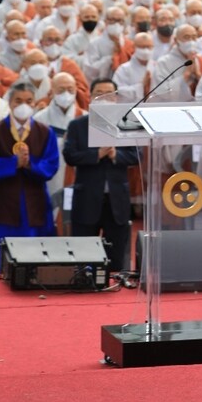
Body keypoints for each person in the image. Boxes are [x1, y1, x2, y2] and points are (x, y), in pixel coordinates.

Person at [0, 80, 59, 273]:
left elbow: (51, 165)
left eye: (29, 100)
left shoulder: (45, 132)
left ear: (34, 103)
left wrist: (30, 164)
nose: (23, 105)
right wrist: (14, 163)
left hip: (34, 200)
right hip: (1, 201)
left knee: (35, 254)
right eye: (18, 101)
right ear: (10, 103)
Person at [63, 79, 140, 273]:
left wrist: (116, 155)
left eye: (109, 94)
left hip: (116, 199)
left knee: (115, 253)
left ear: (116, 98)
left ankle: (114, 286)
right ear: (90, 97)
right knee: (83, 253)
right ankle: (83, 284)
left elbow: (136, 155)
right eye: (99, 93)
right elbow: (70, 156)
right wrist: (96, 155)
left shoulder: (126, 123)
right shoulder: (77, 125)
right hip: (87, 197)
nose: (104, 98)